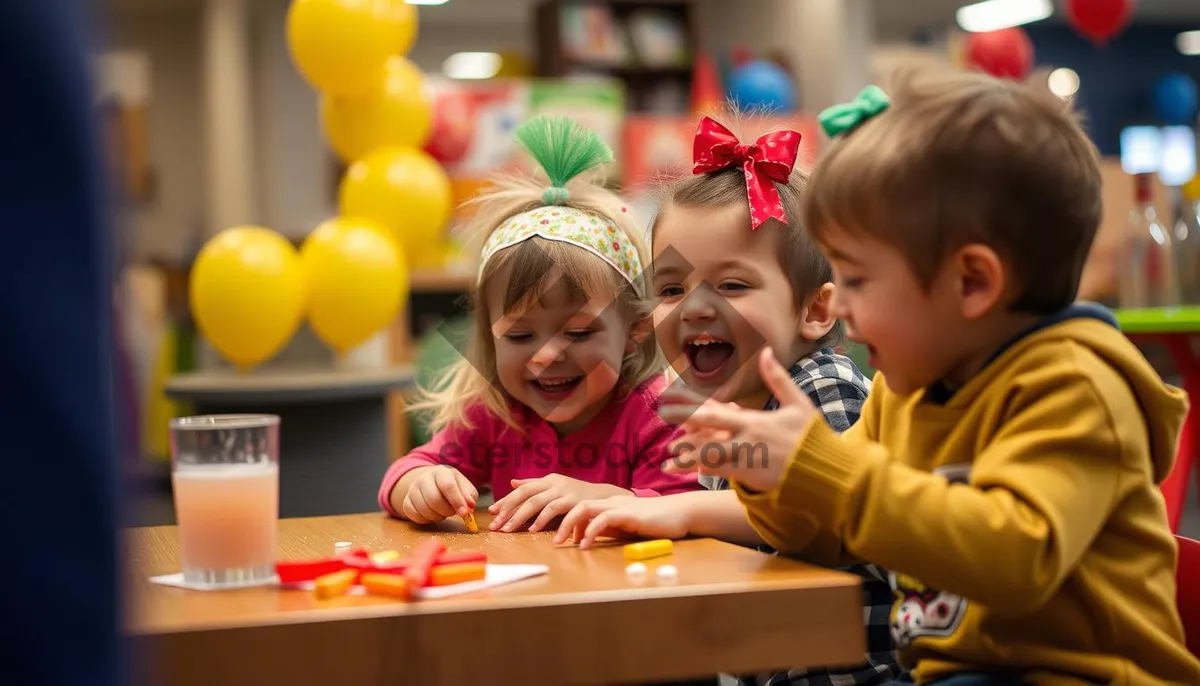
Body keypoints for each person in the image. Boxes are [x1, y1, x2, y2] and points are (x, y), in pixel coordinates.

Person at [657, 67, 1200, 685]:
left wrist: (824, 469)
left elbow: (1014, 559)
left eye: (858, 279)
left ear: (972, 283)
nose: (838, 306)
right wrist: (772, 479)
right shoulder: (903, 391)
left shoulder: (1074, 388)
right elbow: (831, 537)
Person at [557, 115, 899, 685]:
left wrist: (682, 511)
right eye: (671, 289)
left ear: (815, 311)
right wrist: (627, 499)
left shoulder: (819, 386)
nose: (693, 309)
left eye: (733, 285)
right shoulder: (708, 405)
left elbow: (824, 509)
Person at [378, 115, 701, 533]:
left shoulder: (661, 415)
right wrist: (421, 485)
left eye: (579, 332)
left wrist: (604, 498)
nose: (547, 355)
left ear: (635, 332)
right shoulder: (494, 414)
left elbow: (688, 509)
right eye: (519, 335)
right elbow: (405, 472)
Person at [0, 2, 122, 685]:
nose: (519, 357)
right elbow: (419, 462)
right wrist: (415, 480)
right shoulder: (474, 427)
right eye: (512, 334)